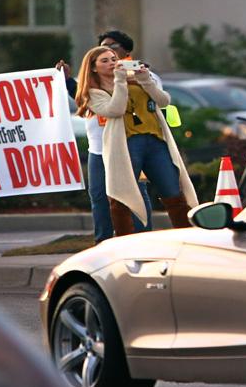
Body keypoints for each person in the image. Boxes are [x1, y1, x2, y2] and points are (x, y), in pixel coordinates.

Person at [79, 45, 197, 232]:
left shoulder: (136, 80)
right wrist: (120, 81)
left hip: (155, 141)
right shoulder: (94, 93)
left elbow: (164, 101)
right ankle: (125, 243)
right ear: (93, 68)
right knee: (122, 196)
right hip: (126, 145)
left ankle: (188, 238)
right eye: (105, 61)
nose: (111, 63)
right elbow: (115, 110)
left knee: (173, 192)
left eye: (113, 59)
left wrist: (146, 80)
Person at [77, 30, 153, 242]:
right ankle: (103, 242)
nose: (110, 54)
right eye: (103, 50)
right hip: (98, 150)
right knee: (100, 197)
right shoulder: (91, 86)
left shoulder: (136, 75)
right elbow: (81, 94)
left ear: (126, 52)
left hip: (127, 148)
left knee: (135, 194)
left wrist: (135, 77)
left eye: (113, 49)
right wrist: (64, 80)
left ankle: (143, 240)